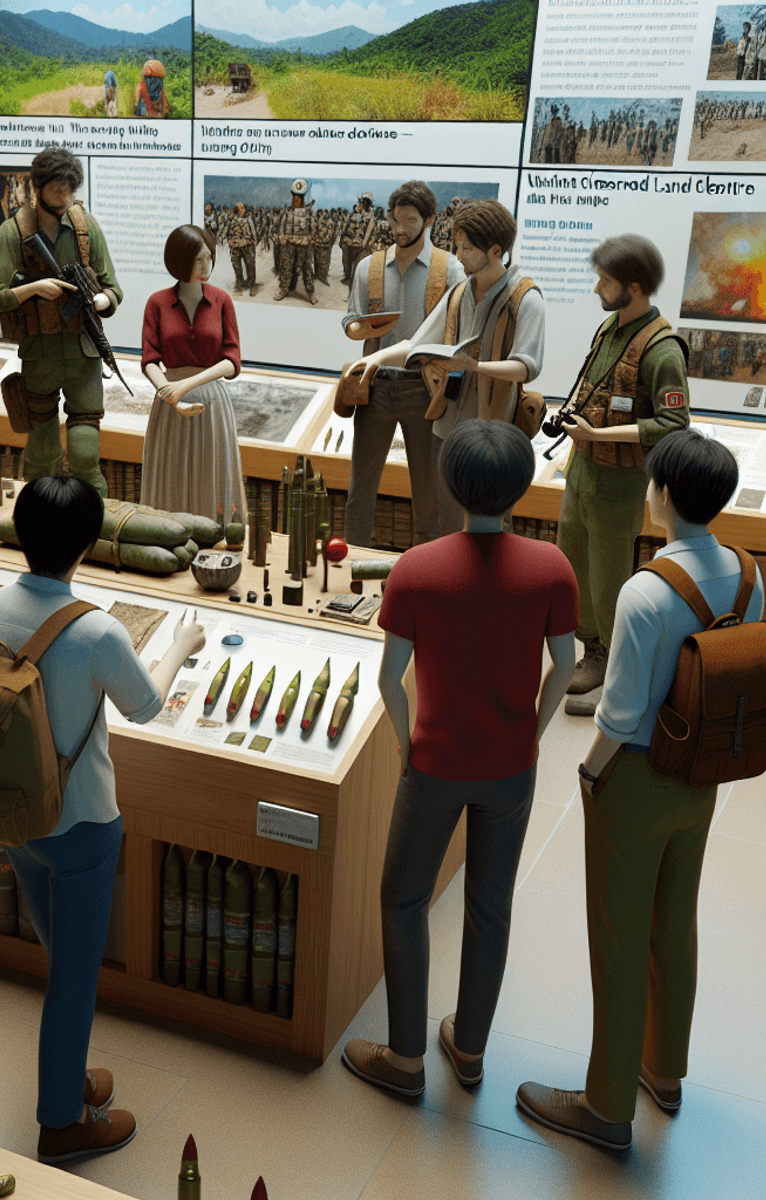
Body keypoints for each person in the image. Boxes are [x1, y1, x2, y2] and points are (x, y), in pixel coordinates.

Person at [517, 429, 764, 1152]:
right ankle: (665, 1070)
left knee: (617, 936)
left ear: (659, 496)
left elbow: (620, 714)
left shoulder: (646, 590)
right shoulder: (750, 576)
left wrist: (590, 773)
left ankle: (605, 1104)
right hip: (705, 774)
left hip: (639, 776)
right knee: (674, 921)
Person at [0, 475, 205, 1164]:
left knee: (57, 956)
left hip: (10, 811)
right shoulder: (95, 628)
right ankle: (62, 1120)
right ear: (90, 544)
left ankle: (68, 1075)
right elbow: (147, 706)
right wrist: (181, 648)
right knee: (73, 976)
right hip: (83, 824)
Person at [342, 419, 577, 1099]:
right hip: (511, 765)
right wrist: (533, 729)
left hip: (435, 762)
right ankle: (468, 1051)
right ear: (521, 487)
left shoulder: (417, 569)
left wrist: (405, 737)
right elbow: (566, 663)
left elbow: (389, 679)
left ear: (450, 483)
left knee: (403, 897)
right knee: (490, 906)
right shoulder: (550, 568)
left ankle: (406, 1059)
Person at [347, 199, 544, 538]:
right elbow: (417, 343)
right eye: (458, 245)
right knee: (448, 522)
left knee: (489, 526)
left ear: (495, 250)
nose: (459, 254)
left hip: (492, 434)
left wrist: (476, 366)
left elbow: (526, 367)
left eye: (467, 248)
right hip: (446, 425)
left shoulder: (525, 298)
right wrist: (376, 358)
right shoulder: (458, 292)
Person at [556, 235, 689, 718]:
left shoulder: (662, 349)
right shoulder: (609, 329)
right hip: (583, 471)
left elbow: (675, 423)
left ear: (634, 286)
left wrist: (602, 433)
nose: (596, 288)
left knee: (610, 578)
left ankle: (617, 671)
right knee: (574, 565)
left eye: (605, 281)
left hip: (620, 483)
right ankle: (592, 649)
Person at [340, 181, 466, 548]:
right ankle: (350, 575)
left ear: (429, 219)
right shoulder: (369, 267)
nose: (399, 228)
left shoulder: (451, 269)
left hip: (425, 390)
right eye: (396, 219)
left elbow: (457, 336)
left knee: (429, 499)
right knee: (358, 493)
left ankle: (430, 578)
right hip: (375, 387)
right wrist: (357, 328)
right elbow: (351, 319)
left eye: (410, 220)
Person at [0, 147, 122, 493]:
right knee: (41, 453)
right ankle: (38, 527)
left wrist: (98, 299)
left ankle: (95, 527)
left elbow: (114, 290)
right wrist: (35, 288)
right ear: (38, 188)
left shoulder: (85, 228)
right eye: (56, 191)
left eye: (69, 191)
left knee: (84, 453)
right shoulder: (13, 232)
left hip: (83, 354)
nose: (64, 199)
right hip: (40, 354)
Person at [140, 224, 244, 522]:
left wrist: (185, 384)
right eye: (198, 260)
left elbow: (232, 360)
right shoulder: (157, 303)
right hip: (170, 403)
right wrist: (170, 394)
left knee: (211, 474)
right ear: (179, 260)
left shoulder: (222, 300)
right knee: (171, 474)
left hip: (211, 404)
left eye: (209, 258)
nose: (206, 267)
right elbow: (149, 360)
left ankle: (215, 536)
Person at [226, 202, 260, 296]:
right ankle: (240, 284)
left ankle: (252, 285)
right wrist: (231, 243)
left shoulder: (249, 220)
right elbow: (229, 233)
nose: (243, 210)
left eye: (243, 208)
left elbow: (254, 232)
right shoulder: (233, 221)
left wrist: (254, 243)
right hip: (236, 247)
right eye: (240, 208)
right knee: (237, 266)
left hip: (247, 246)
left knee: (250, 265)